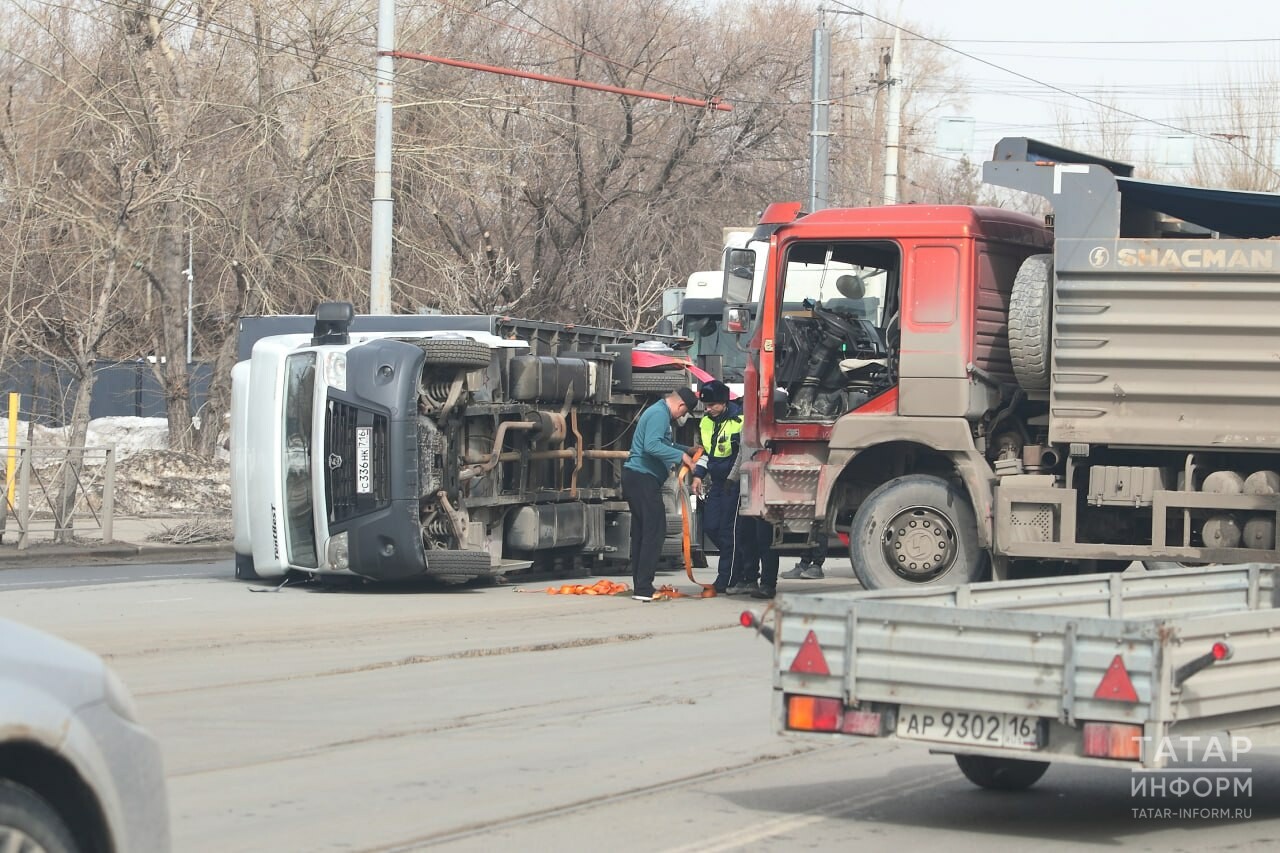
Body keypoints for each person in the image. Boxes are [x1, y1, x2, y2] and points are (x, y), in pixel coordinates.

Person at [623, 387, 697, 602]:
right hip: (642, 477)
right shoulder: (659, 414)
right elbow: (652, 445)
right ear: (680, 406)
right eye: (683, 414)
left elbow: (665, 444)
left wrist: (687, 449)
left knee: (643, 532)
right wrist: (682, 455)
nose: (681, 417)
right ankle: (644, 588)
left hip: (638, 478)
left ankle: (641, 585)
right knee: (655, 531)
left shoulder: (658, 413)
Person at [689, 380, 743, 594]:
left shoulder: (739, 420)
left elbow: (741, 455)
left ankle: (726, 578)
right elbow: (706, 452)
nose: (707, 409)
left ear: (723, 402)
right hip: (718, 482)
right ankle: (736, 558)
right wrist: (698, 476)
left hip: (735, 482)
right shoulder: (706, 422)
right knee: (711, 526)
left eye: (712, 405)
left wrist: (733, 478)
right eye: (706, 405)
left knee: (728, 530)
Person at [722, 446, 779, 598]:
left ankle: (768, 584)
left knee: (765, 537)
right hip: (747, 484)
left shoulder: (765, 427)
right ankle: (750, 579)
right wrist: (731, 478)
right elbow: (741, 454)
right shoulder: (745, 427)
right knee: (745, 536)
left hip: (766, 482)